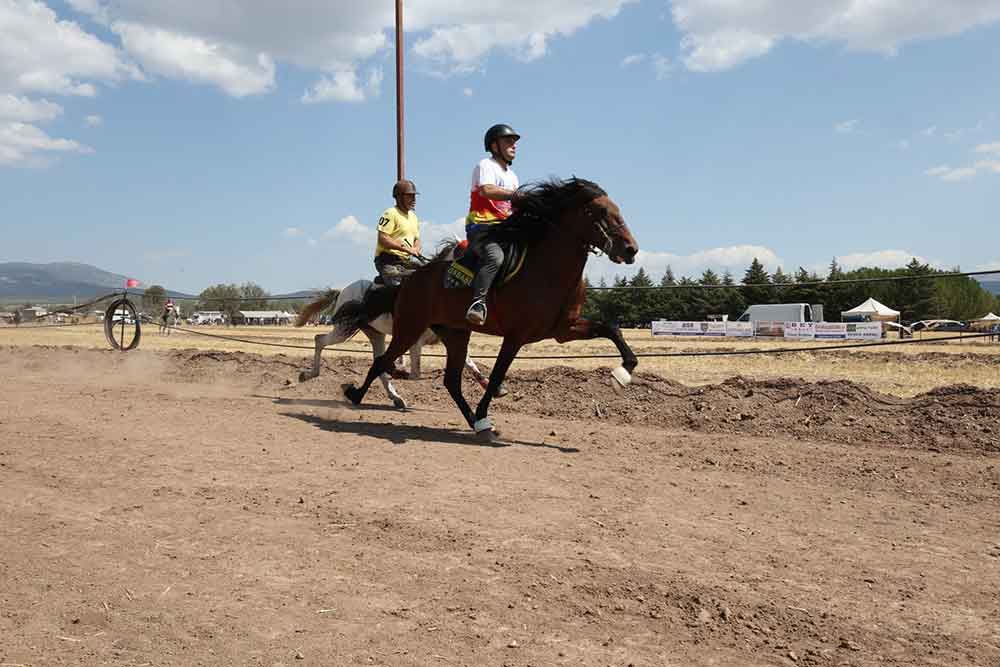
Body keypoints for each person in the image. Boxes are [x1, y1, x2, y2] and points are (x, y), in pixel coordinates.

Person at [464, 123, 520, 325]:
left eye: (515, 143)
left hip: (504, 230)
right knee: (495, 258)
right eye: (508, 141)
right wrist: (517, 195)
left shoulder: (512, 176)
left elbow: (514, 206)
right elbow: (487, 190)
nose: (514, 146)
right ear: (494, 146)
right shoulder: (485, 166)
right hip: (482, 228)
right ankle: (478, 303)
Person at [374, 180, 422, 288]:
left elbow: (417, 239)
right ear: (399, 197)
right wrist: (407, 249)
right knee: (398, 288)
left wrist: (416, 248)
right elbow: (383, 238)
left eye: (414, 196)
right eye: (410, 196)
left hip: (406, 262)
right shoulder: (390, 213)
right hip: (387, 261)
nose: (414, 199)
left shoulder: (414, 217)